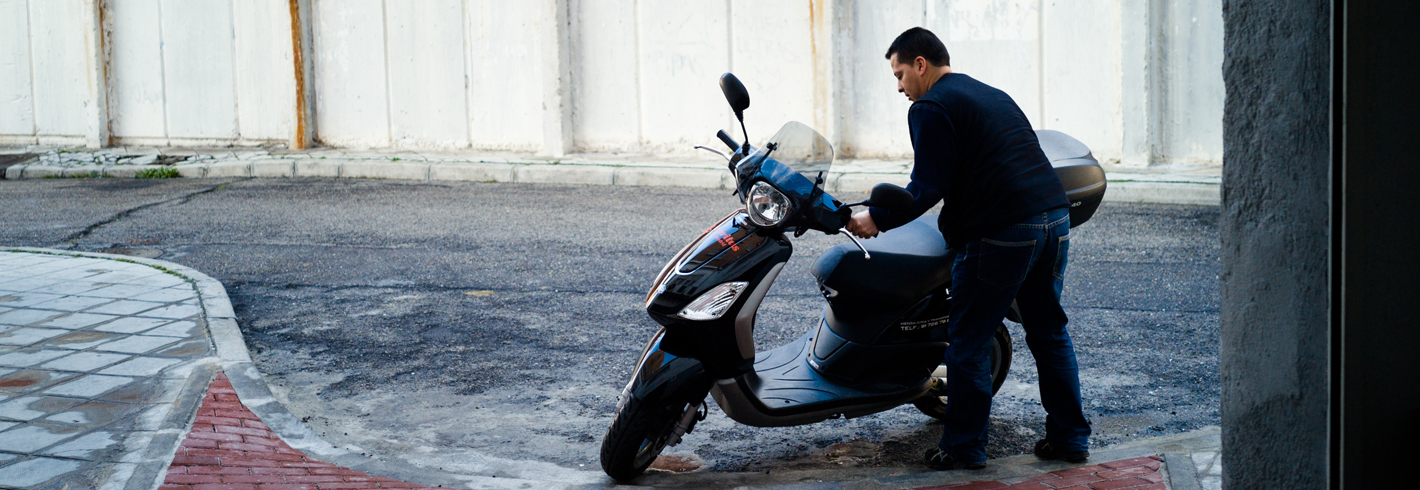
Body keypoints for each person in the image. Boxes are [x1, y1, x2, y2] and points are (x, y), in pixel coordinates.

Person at [845, 27, 1091, 470]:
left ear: (921, 65)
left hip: (1002, 230)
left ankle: (962, 448)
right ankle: (1071, 439)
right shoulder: (989, 93)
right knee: (1049, 332)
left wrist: (875, 219)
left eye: (900, 74)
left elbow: (927, 186)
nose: (900, 86)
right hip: (1055, 217)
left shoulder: (931, 106)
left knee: (968, 342)